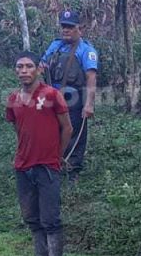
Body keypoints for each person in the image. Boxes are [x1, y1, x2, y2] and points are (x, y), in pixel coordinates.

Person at [5, 51, 74, 256]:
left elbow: (67, 128)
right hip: (23, 167)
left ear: (38, 69)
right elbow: (18, 128)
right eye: (19, 67)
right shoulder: (14, 98)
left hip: (47, 166)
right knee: (31, 216)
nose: (23, 71)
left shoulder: (52, 95)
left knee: (50, 217)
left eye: (28, 66)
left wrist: (57, 155)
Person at [38, 10, 99, 185]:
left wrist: (89, 105)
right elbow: (42, 65)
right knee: (51, 132)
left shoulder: (86, 50)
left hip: (74, 100)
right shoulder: (55, 46)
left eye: (70, 27)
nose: (66, 30)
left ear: (80, 29)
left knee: (74, 135)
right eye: (64, 26)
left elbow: (91, 78)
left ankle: (73, 171)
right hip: (52, 98)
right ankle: (52, 165)